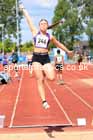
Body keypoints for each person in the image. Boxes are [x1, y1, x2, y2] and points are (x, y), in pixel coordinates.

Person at [19, 4, 73, 109]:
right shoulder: (35, 32)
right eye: (41, 24)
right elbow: (29, 20)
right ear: (39, 26)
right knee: (40, 79)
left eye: (45, 24)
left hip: (45, 58)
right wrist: (23, 10)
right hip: (36, 58)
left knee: (52, 78)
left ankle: (43, 70)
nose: (43, 25)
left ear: (47, 26)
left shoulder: (50, 36)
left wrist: (68, 51)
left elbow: (59, 44)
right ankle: (44, 101)